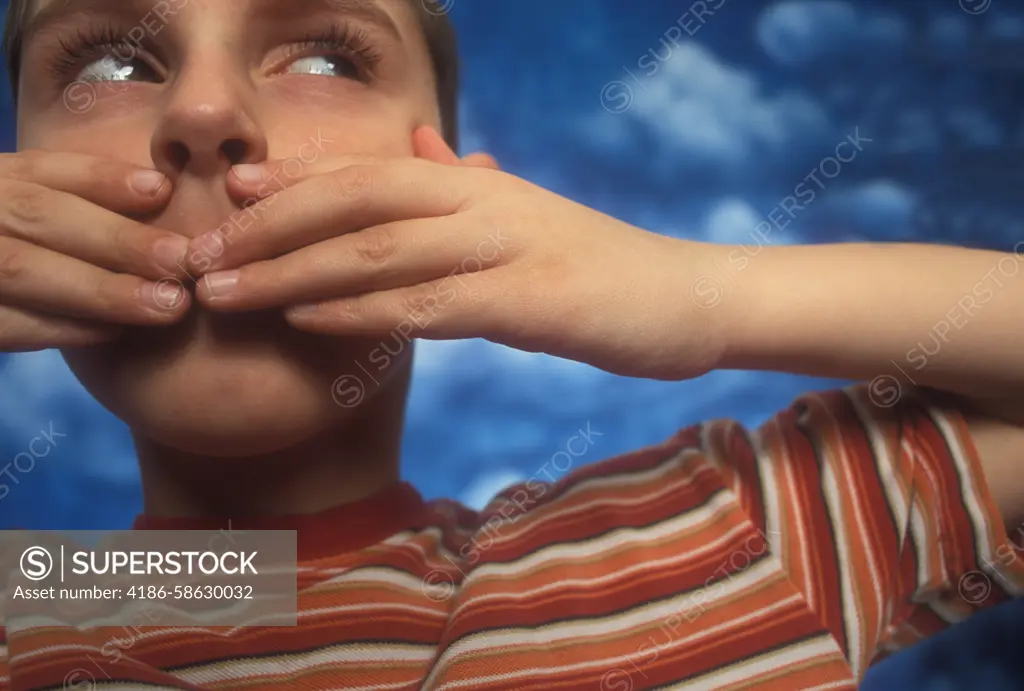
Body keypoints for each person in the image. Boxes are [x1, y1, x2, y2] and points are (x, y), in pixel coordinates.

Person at [0, 0, 1021, 688]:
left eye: (324, 56)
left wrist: (696, 297)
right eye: (112, 61)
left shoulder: (726, 536)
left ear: (455, 181)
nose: (203, 112)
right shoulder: (33, 596)